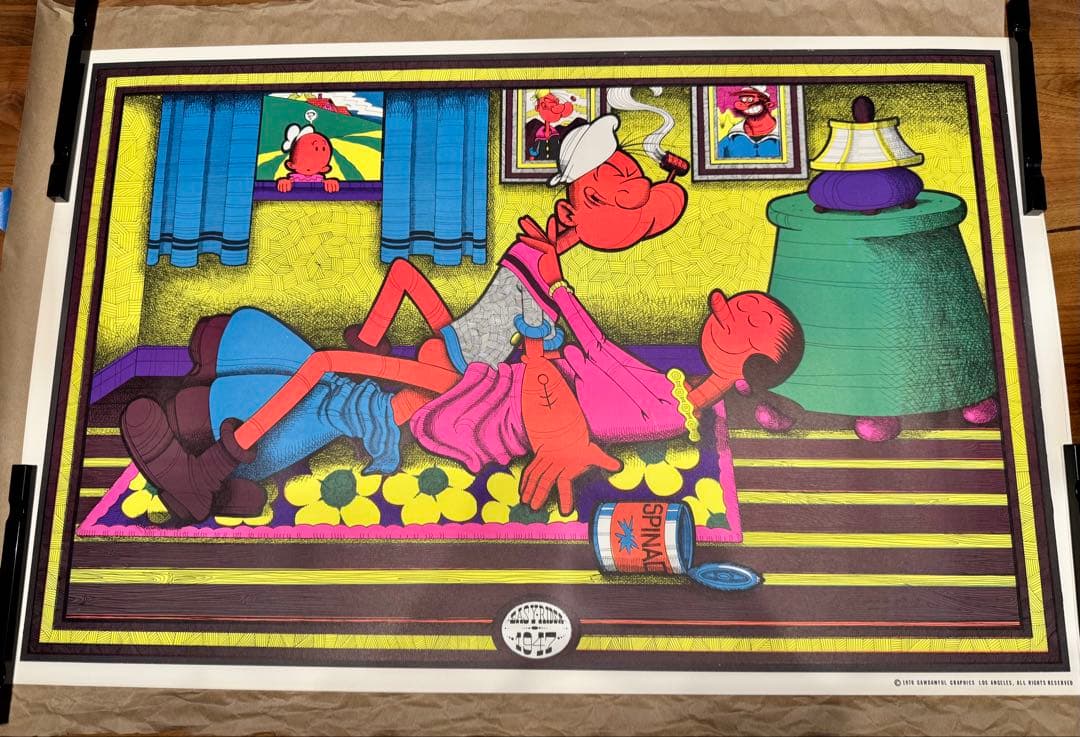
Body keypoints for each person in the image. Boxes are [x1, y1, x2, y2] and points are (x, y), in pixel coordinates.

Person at [120, 271, 803, 523]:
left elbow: (563, 413)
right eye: (742, 304)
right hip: (496, 385)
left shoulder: (662, 409)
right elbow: (597, 349)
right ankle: (219, 457)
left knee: (331, 370)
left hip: (486, 406)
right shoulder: (668, 388)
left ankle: (210, 469)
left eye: (748, 321)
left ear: (745, 374)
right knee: (336, 384)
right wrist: (557, 293)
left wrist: (538, 351)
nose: (727, 307)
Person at [716, 86, 781, 159]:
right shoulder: (731, 138)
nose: (746, 104)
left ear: (768, 104)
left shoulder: (783, 135)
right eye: (743, 99)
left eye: (750, 99)